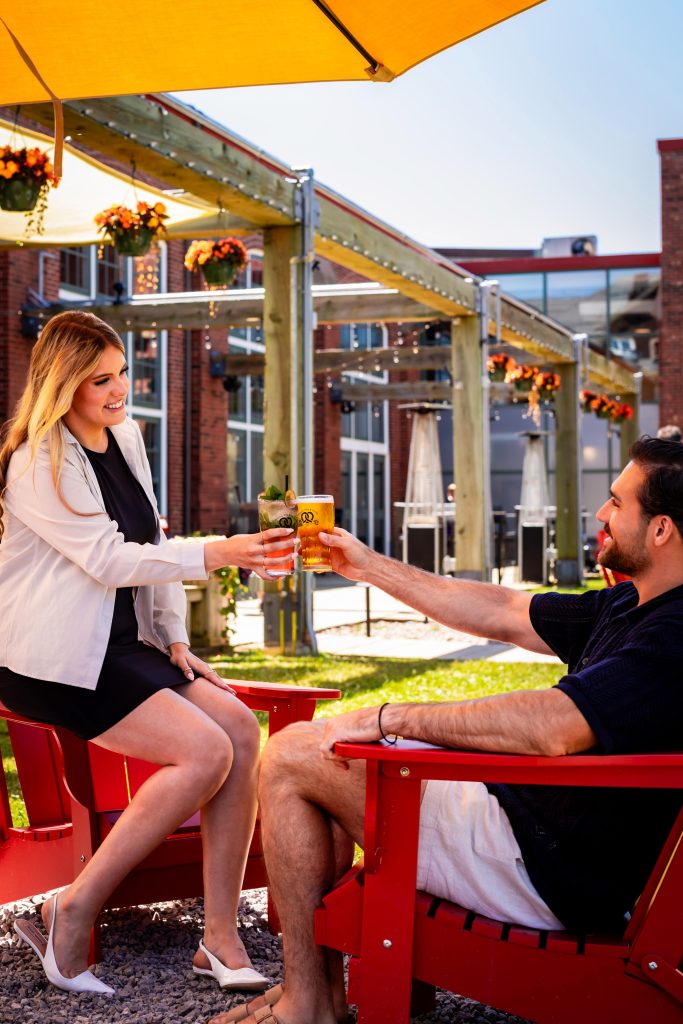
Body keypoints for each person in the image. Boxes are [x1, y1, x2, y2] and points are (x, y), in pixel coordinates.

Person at [213, 436, 683, 1024]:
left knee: (290, 754)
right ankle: (314, 997)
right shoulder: (632, 604)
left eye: (617, 502)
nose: (602, 514)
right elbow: (503, 610)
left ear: (660, 529)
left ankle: (308, 1003)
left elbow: (554, 727)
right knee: (323, 756)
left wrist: (393, 717)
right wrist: (367, 565)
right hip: (533, 832)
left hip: (545, 870)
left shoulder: (673, 638)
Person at [0, 311, 295, 995]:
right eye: (99, 380)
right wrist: (219, 553)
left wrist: (176, 640)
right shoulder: (36, 462)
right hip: (48, 659)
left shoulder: (126, 438)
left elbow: (150, 544)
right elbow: (109, 559)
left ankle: (219, 939)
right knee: (205, 752)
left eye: (122, 373)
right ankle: (70, 908)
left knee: (239, 731)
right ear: (62, 386)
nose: (119, 390)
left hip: (122, 644)